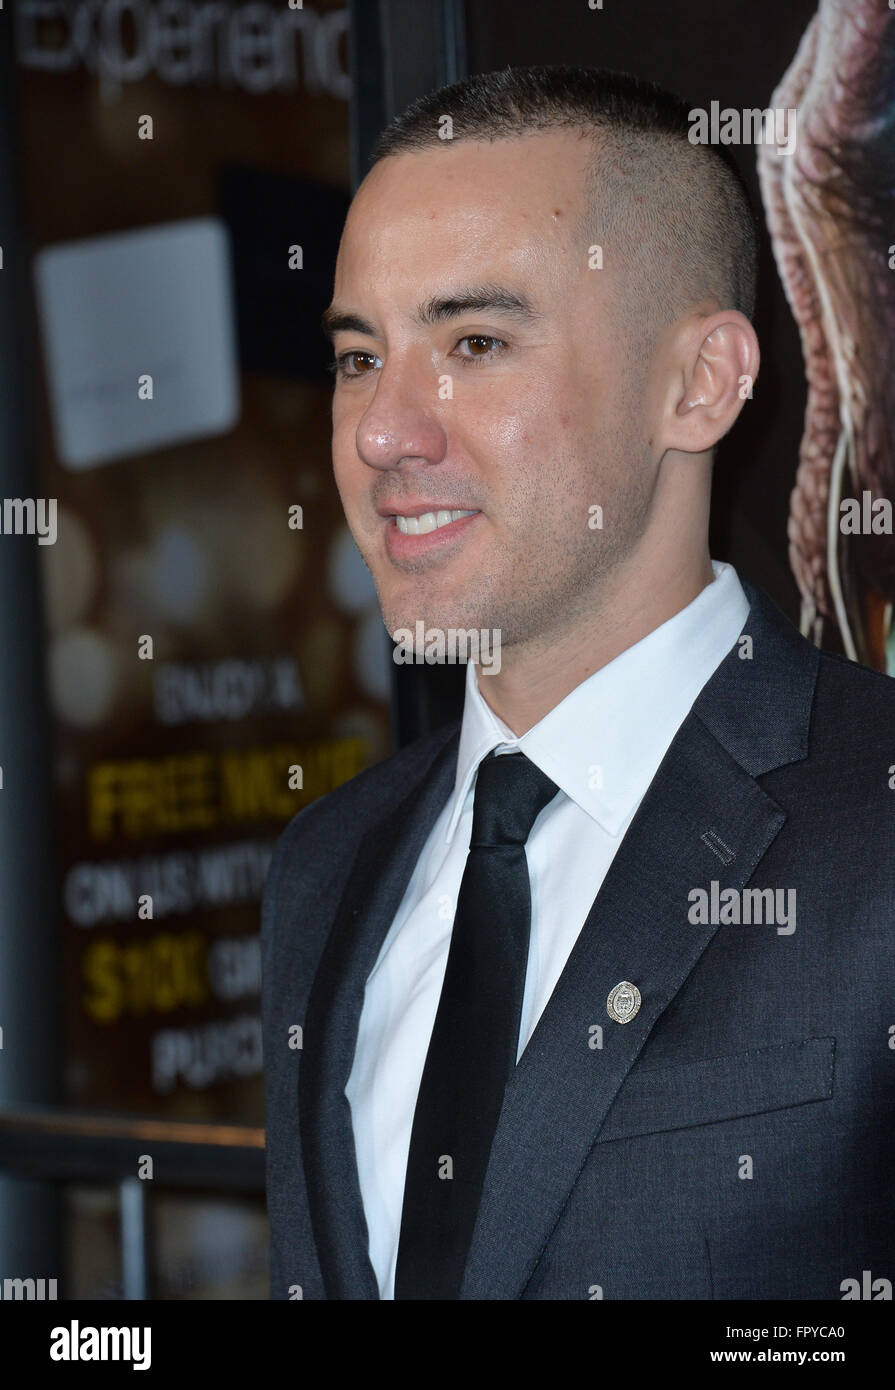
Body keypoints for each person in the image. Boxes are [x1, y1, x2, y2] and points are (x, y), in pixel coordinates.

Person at [261, 65, 895, 1300]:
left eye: (475, 342)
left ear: (700, 383)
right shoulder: (325, 867)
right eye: (356, 358)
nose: (384, 431)